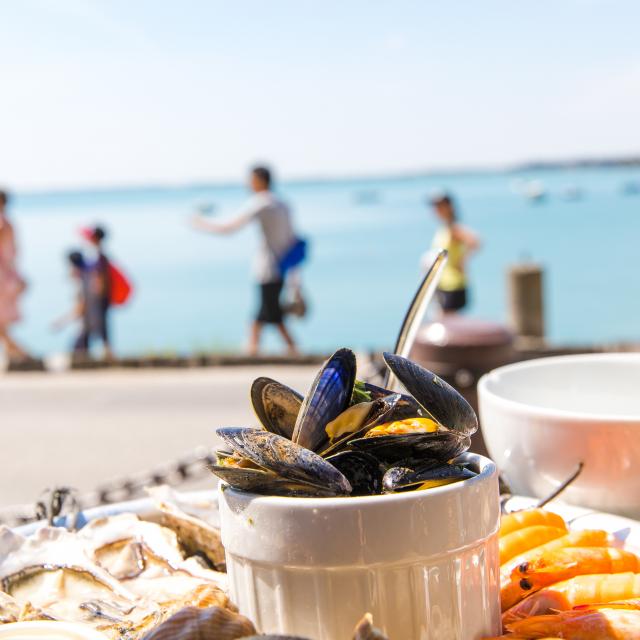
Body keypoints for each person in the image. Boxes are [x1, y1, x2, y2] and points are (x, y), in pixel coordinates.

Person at [192, 166, 300, 356]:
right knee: (265, 312)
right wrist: (295, 276)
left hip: (268, 266)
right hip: (283, 266)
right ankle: (254, 349)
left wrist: (201, 223)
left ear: (259, 180)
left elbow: (228, 227)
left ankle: (278, 350)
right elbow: (293, 240)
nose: (248, 184)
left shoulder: (260, 203)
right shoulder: (283, 204)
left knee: (270, 313)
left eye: (251, 180)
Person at [428, 192, 480, 314]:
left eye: (440, 206)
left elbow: (475, 242)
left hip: (453, 284)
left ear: (449, 206)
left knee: (449, 322)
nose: (436, 209)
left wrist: (462, 261)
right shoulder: (444, 228)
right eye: (435, 206)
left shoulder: (454, 228)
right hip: (443, 283)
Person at [0, 189, 29, 361]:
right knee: (3, 320)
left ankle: (20, 353)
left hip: (3, 277)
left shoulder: (3, 223)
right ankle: (14, 353)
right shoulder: (8, 222)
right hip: (8, 276)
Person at [78, 225, 114, 359]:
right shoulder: (97, 253)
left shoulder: (99, 255)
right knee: (96, 324)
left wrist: (96, 292)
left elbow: (100, 277)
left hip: (99, 296)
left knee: (100, 323)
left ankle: (106, 351)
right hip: (99, 296)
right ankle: (99, 351)